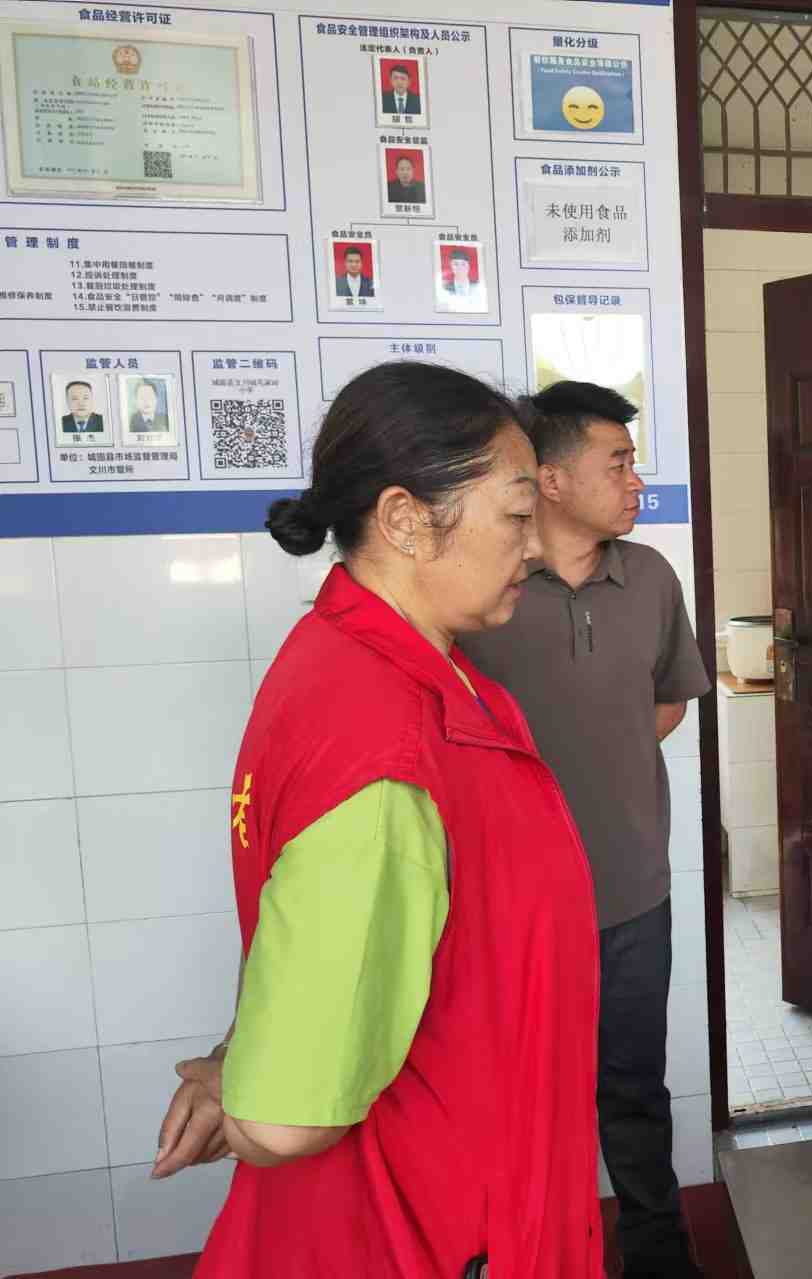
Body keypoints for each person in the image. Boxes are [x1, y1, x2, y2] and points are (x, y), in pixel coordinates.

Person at [150, 362, 603, 1277]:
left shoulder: (362, 663)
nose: (538, 549)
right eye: (518, 515)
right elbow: (286, 1121)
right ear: (404, 519)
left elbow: (319, 934)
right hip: (428, 1226)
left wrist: (240, 1054)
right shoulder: (386, 743)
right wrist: (251, 1090)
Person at [460, 381, 710, 1279]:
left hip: (632, 890)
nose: (637, 480)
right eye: (619, 463)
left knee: (634, 1090)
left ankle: (658, 1256)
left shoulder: (650, 578)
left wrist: (601, 750)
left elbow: (670, 699)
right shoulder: (482, 585)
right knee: (523, 1101)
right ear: (553, 479)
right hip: (511, 905)